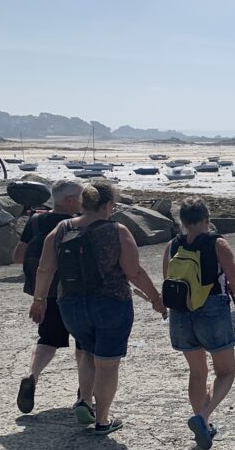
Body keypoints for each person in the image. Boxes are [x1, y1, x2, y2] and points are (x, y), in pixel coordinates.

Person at [28, 181, 164, 435]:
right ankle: (102, 420)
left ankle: (85, 401)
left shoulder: (61, 228)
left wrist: (39, 300)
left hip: (71, 304)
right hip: (111, 303)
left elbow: (45, 268)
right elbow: (134, 271)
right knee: (108, 363)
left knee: (88, 351)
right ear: (108, 205)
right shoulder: (117, 230)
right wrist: (156, 298)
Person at [162, 197, 235, 450]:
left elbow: (168, 278)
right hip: (211, 309)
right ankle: (203, 417)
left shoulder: (172, 245)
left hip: (181, 312)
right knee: (226, 371)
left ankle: (204, 428)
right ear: (207, 219)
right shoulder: (217, 243)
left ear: (183, 222)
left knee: (197, 373)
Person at [13, 179, 84, 416]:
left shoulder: (36, 220)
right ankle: (84, 394)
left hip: (46, 292)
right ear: (70, 200)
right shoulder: (77, 224)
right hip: (74, 291)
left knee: (47, 340)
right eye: (82, 197)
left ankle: (32, 375)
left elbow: (18, 256)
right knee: (83, 342)